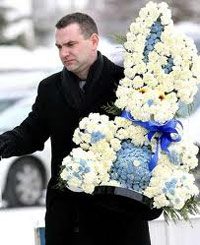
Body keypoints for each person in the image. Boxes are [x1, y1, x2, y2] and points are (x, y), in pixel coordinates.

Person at [0, 13, 161, 245]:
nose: (64, 53)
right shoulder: (50, 88)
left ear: (94, 41)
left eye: (71, 44)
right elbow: (31, 133)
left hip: (121, 216)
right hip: (68, 218)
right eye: (59, 46)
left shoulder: (128, 82)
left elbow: (155, 135)